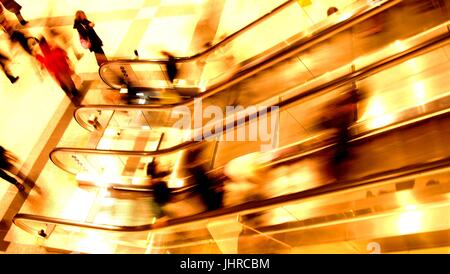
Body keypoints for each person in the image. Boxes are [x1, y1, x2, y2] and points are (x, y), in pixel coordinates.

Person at [35, 37, 79, 101]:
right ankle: (74, 93)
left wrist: (39, 58)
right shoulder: (55, 51)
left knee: (64, 84)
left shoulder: (47, 56)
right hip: (62, 70)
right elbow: (63, 53)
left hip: (57, 73)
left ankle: (71, 94)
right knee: (69, 82)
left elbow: (46, 64)